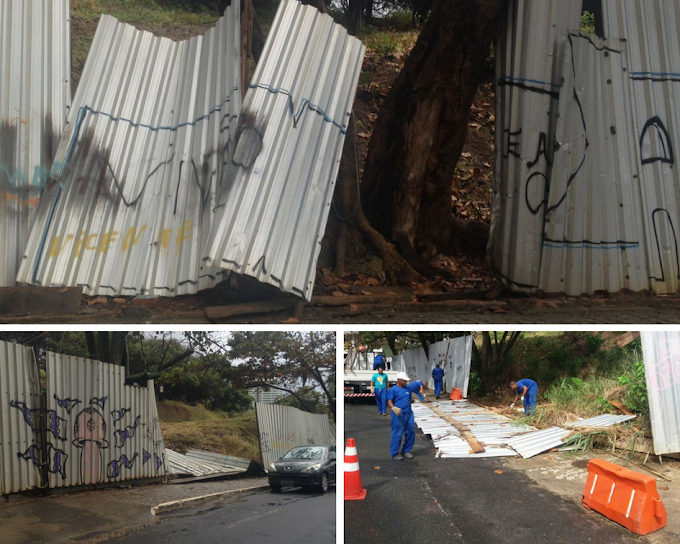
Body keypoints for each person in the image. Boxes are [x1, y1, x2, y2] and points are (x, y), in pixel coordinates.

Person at [387, 372, 417, 460]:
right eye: (404, 380)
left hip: (409, 414)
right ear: (399, 380)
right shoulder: (393, 389)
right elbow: (389, 401)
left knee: (411, 432)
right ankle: (394, 453)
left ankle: (406, 451)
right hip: (398, 414)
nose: (406, 382)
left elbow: (408, 399)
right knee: (397, 434)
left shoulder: (407, 389)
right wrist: (393, 408)